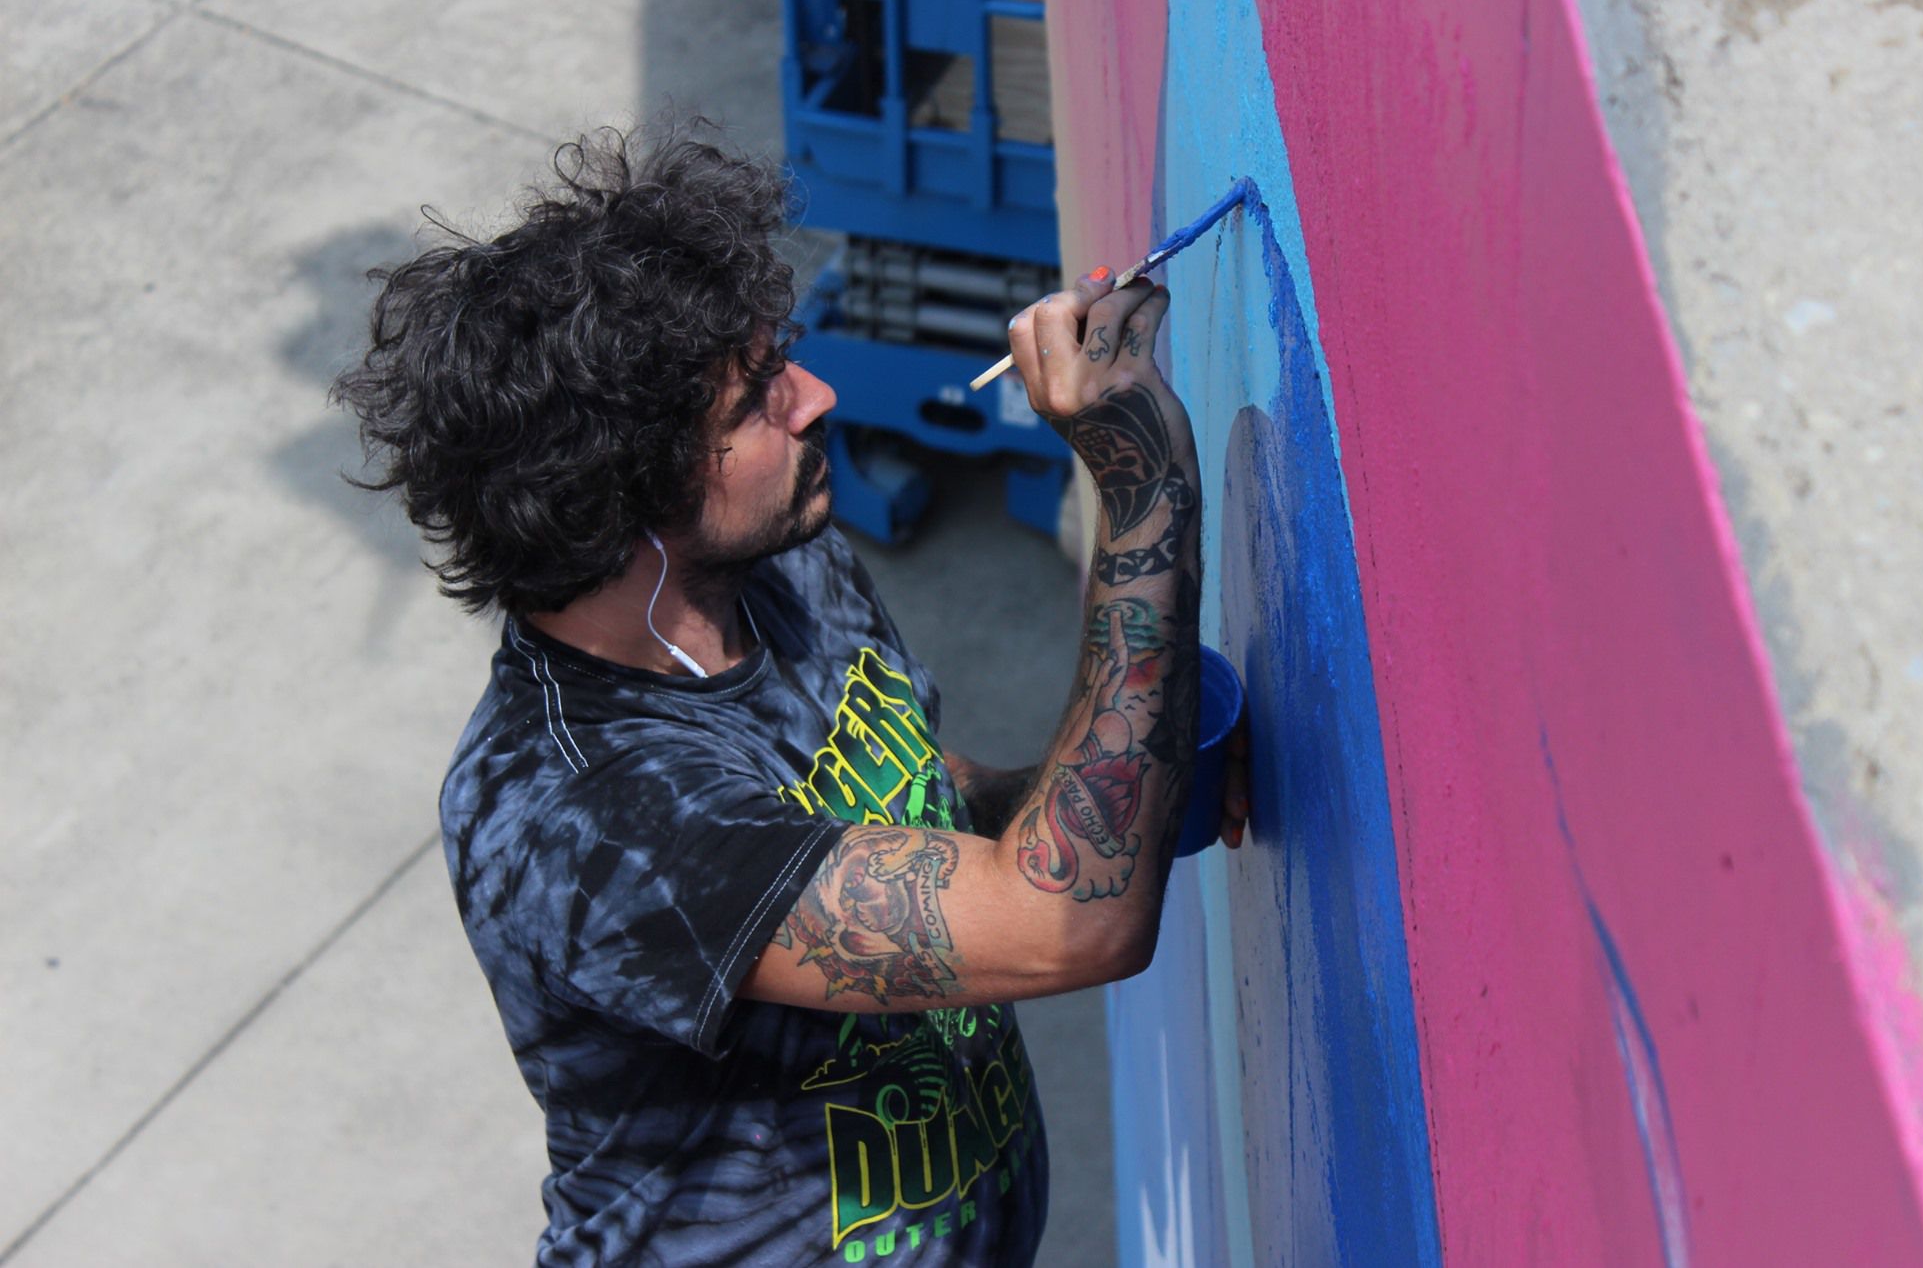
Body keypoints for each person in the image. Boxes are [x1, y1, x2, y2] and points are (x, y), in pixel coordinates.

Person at [332, 124, 1243, 1267]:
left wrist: (1126, 787)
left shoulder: (773, 564)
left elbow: (885, 799)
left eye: (783, 359)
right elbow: (1067, 922)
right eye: (755, 402)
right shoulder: (588, 818)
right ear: (621, 499)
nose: (812, 398)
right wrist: (1141, 479)